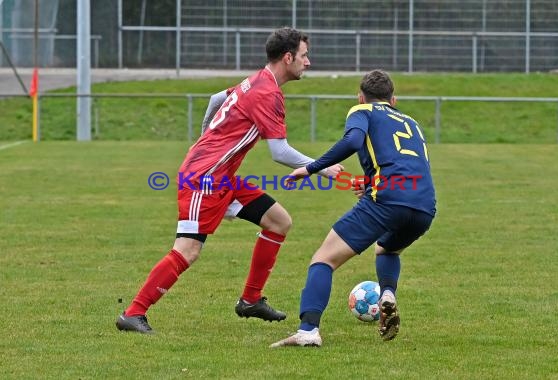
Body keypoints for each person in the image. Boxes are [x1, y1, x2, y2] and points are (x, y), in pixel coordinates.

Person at [116, 27, 343, 334]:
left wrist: (204, 139)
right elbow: (279, 151)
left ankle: (250, 300)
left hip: (221, 177)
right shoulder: (267, 92)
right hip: (204, 179)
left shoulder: (257, 80)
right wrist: (321, 167)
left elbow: (214, 99)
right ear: (288, 57)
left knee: (279, 221)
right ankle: (133, 312)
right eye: (304, 56)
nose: (308, 62)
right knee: (187, 250)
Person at [270, 69, 436, 347]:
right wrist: (369, 182)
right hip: (424, 205)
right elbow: (404, 163)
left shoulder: (363, 111)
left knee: (323, 259)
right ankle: (387, 294)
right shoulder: (411, 122)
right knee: (387, 248)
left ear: (361, 97)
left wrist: (310, 168)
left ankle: (308, 331)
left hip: (388, 200)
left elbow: (352, 141)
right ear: (393, 100)